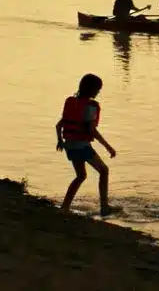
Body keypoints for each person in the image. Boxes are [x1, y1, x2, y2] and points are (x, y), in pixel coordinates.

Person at [56, 73, 120, 215]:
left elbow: (59, 125)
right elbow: (92, 130)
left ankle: (65, 207)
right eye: (98, 89)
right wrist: (108, 147)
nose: (98, 92)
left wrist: (60, 141)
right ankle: (104, 208)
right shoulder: (90, 107)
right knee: (104, 171)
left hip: (70, 144)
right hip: (81, 145)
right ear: (91, 90)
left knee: (80, 176)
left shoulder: (72, 102)